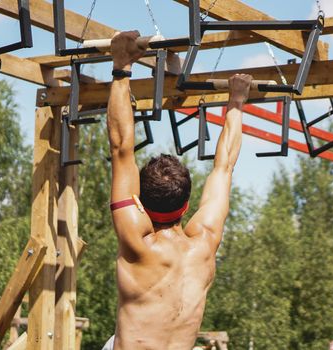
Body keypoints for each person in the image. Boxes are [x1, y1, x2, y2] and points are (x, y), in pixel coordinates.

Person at [105, 30, 252, 349]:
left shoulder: (138, 244)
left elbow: (121, 149)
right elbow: (224, 166)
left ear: (141, 203)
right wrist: (237, 100)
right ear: (186, 205)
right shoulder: (204, 243)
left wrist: (121, 66)